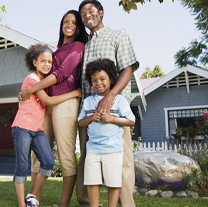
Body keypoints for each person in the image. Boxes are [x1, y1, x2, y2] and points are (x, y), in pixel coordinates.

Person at [19, 10, 88, 207]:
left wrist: (32, 89)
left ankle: (63, 204)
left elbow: (63, 73)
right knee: (38, 153)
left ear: (78, 27)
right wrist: (31, 92)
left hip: (65, 103)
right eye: (66, 21)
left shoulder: (78, 46)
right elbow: (45, 73)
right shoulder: (56, 50)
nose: (69, 25)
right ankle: (34, 200)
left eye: (74, 22)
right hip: (47, 105)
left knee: (66, 155)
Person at [76, 1, 140, 207]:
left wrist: (111, 96)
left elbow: (127, 69)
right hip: (89, 113)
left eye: (91, 11)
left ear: (101, 13)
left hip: (115, 112)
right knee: (87, 159)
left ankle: (124, 204)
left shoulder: (118, 35)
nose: (87, 16)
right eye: (83, 14)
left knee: (121, 161)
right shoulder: (85, 45)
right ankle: (88, 203)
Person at [12, 43, 82, 207]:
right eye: (42, 61)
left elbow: (47, 102)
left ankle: (31, 194)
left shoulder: (45, 83)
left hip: (36, 130)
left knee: (49, 162)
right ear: (34, 62)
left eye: (49, 62)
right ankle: (23, 205)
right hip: (22, 127)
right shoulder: (33, 79)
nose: (47, 65)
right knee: (22, 165)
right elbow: (49, 101)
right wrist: (75, 93)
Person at [78, 59, 135, 207]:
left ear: (111, 78)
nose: (99, 83)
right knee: (92, 181)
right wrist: (91, 117)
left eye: (103, 79)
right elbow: (81, 122)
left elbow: (131, 120)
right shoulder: (89, 101)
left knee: (113, 182)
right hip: (93, 150)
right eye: (94, 80)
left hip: (113, 149)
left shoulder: (119, 100)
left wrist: (111, 119)